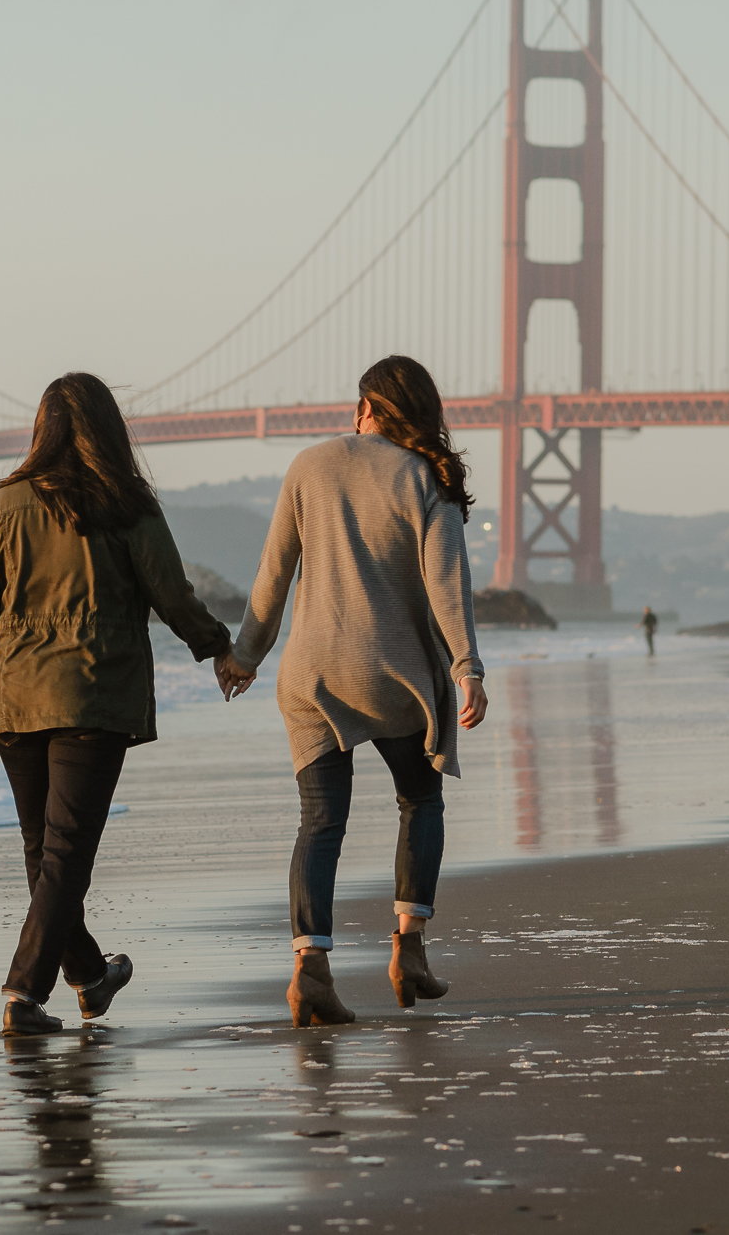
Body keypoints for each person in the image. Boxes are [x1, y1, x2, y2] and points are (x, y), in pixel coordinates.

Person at [0, 372, 235, 1036]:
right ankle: (24, 994)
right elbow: (171, 590)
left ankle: (89, 976)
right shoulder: (126, 501)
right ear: (109, 428)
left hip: (14, 697)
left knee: (44, 851)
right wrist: (217, 645)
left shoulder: (2, 505)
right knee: (62, 853)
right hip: (92, 693)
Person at [216, 355, 487, 1027]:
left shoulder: (308, 465)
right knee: (421, 796)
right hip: (390, 676)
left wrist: (246, 654)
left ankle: (310, 970)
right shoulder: (427, 477)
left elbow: (274, 570)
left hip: (308, 676)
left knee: (321, 821)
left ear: (371, 408)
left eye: (358, 406)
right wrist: (468, 668)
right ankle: (409, 948)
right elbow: (446, 586)